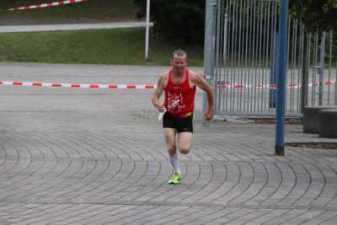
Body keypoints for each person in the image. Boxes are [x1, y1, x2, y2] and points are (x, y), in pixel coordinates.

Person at [151, 49, 214, 185]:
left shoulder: (193, 77)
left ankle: (178, 163)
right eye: (176, 63)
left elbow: (209, 90)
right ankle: (177, 172)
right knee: (171, 147)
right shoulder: (164, 77)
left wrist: (210, 109)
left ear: (186, 63)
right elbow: (155, 96)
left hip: (185, 117)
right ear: (171, 62)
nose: (179, 66)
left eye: (182, 63)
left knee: (184, 149)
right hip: (169, 115)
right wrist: (157, 105)